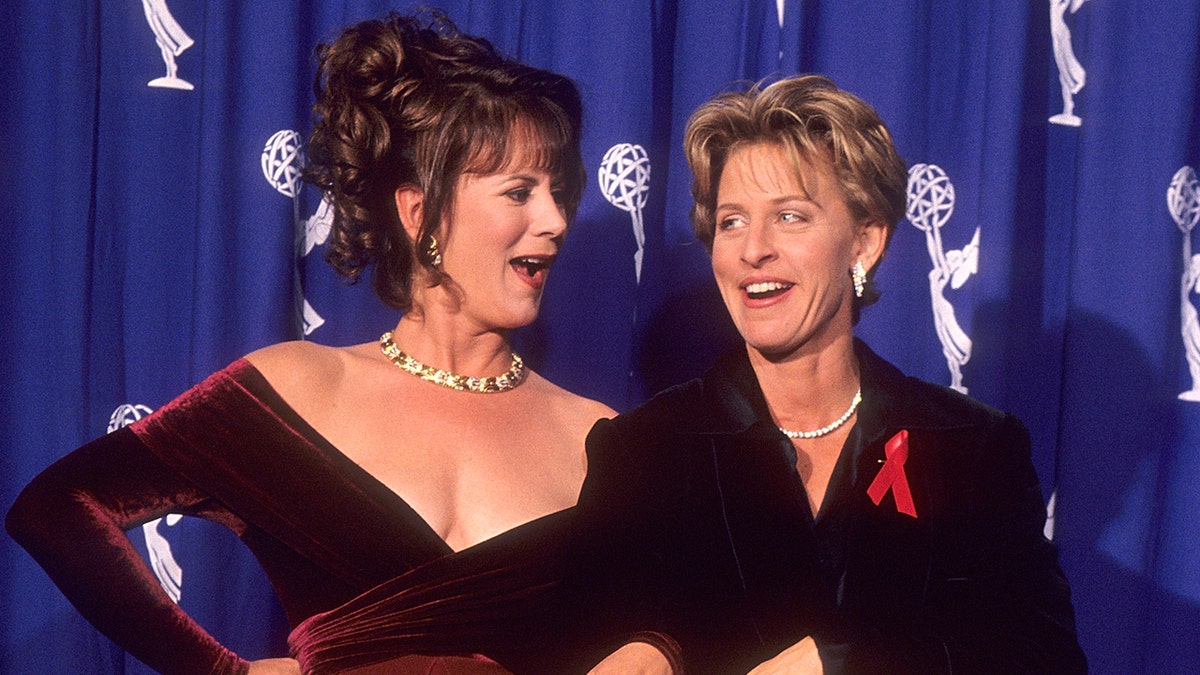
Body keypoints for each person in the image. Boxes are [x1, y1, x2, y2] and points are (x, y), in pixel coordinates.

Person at [6, 12, 612, 675]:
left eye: (560, 193)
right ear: (421, 215)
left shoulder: (599, 438)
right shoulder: (297, 390)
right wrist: (219, 669)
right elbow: (56, 508)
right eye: (520, 192)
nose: (555, 221)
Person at [563, 75, 1087, 674]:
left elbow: (1044, 660)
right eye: (731, 221)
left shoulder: (973, 448)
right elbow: (588, 640)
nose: (752, 248)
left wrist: (849, 664)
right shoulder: (642, 451)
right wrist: (654, 646)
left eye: (790, 216)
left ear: (864, 244)